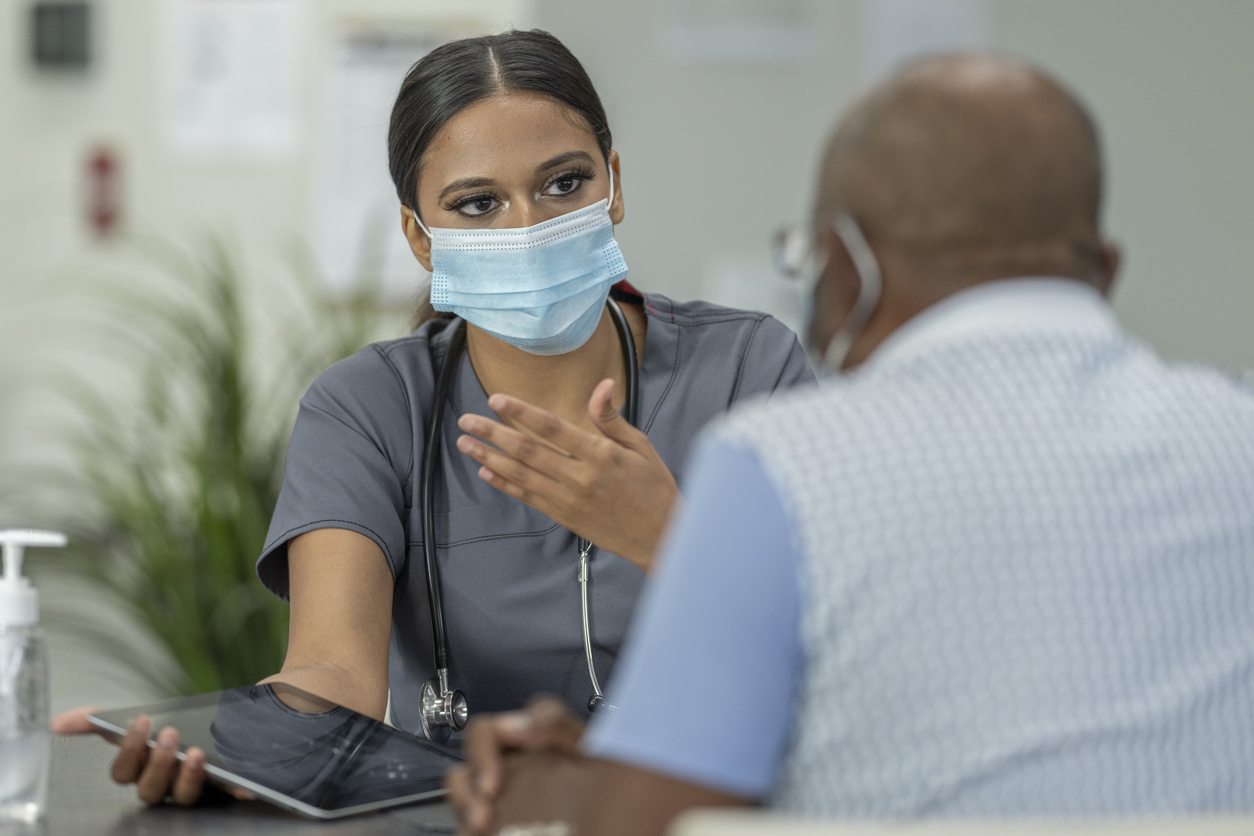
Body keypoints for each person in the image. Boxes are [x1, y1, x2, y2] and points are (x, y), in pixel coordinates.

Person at [447, 52, 1254, 835]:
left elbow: (654, 827)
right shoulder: (1237, 435)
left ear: (845, 269)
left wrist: (575, 790)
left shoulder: (782, 468)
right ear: (1104, 270)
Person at [52, 29, 813, 804]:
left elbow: (842, 632)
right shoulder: (368, 409)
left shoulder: (749, 369)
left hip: (710, 813)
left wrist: (671, 538)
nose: (525, 226)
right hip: (468, 816)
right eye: (478, 204)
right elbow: (335, 671)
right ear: (420, 235)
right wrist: (239, 752)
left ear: (613, 185)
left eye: (563, 184)